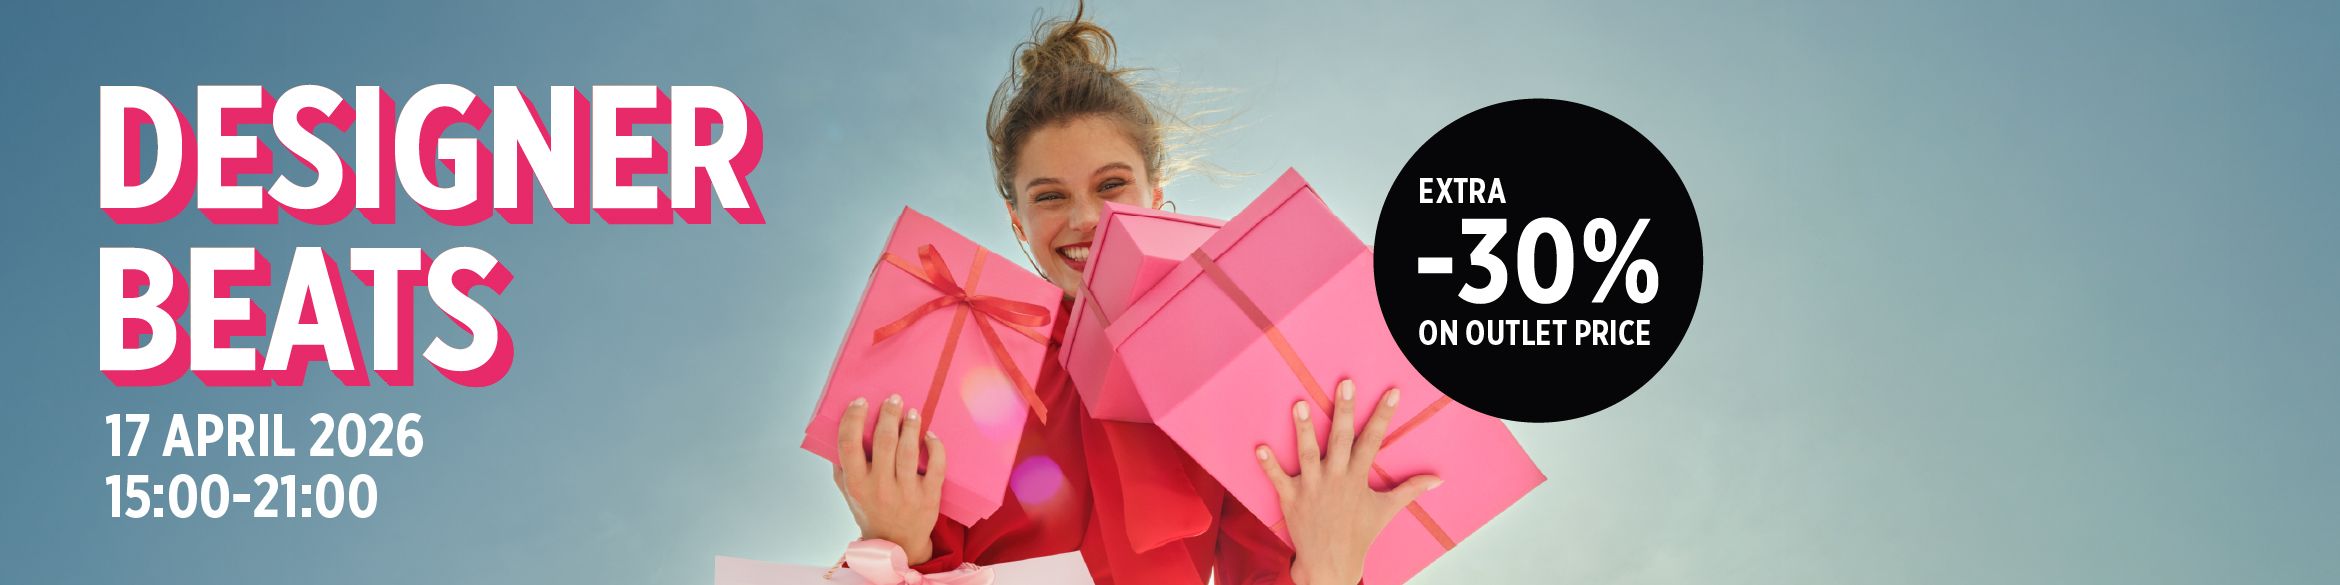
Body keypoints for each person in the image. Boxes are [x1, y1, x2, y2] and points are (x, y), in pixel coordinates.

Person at [825, 6, 1440, 584]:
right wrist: (895, 543)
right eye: (1049, 196)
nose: (1086, 218)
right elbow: (922, 555)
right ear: (1017, 222)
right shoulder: (959, 362)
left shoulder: (1227, 363)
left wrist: (1331, 564)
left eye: (1111, 185)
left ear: (1155, 191)